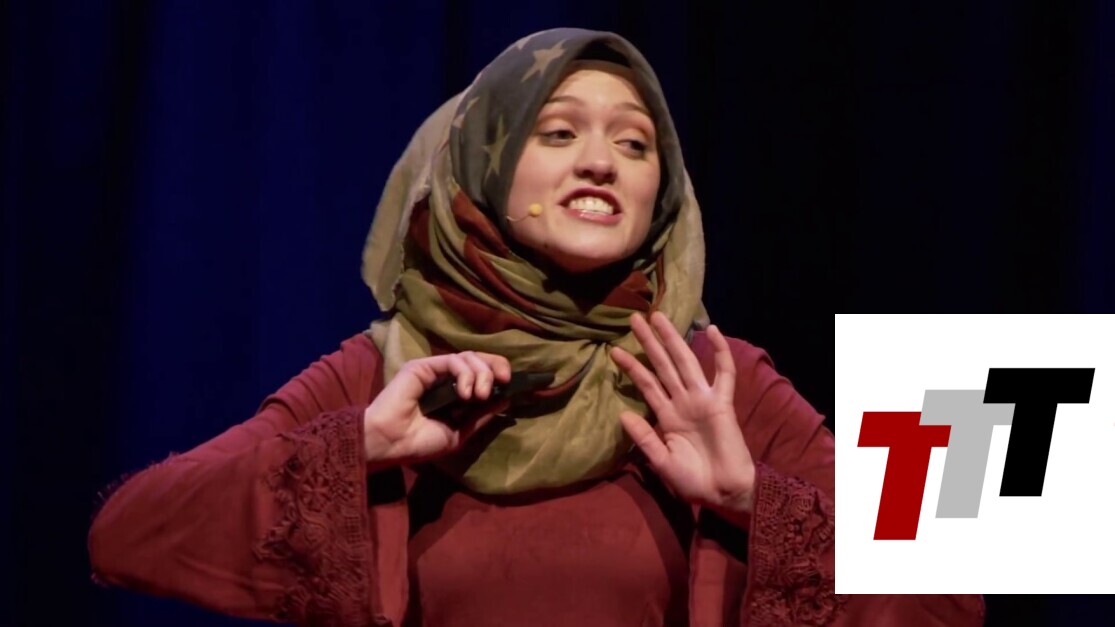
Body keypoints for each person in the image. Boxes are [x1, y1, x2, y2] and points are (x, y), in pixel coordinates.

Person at [88, 28, 985, 626]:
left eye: (635, 144)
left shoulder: (712, 379)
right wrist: (358, 445)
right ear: (483, 167)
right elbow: (127, 533)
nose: (601, 162)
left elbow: (953, 598)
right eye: (557, 133)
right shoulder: (388, 372)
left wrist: (752, 497)